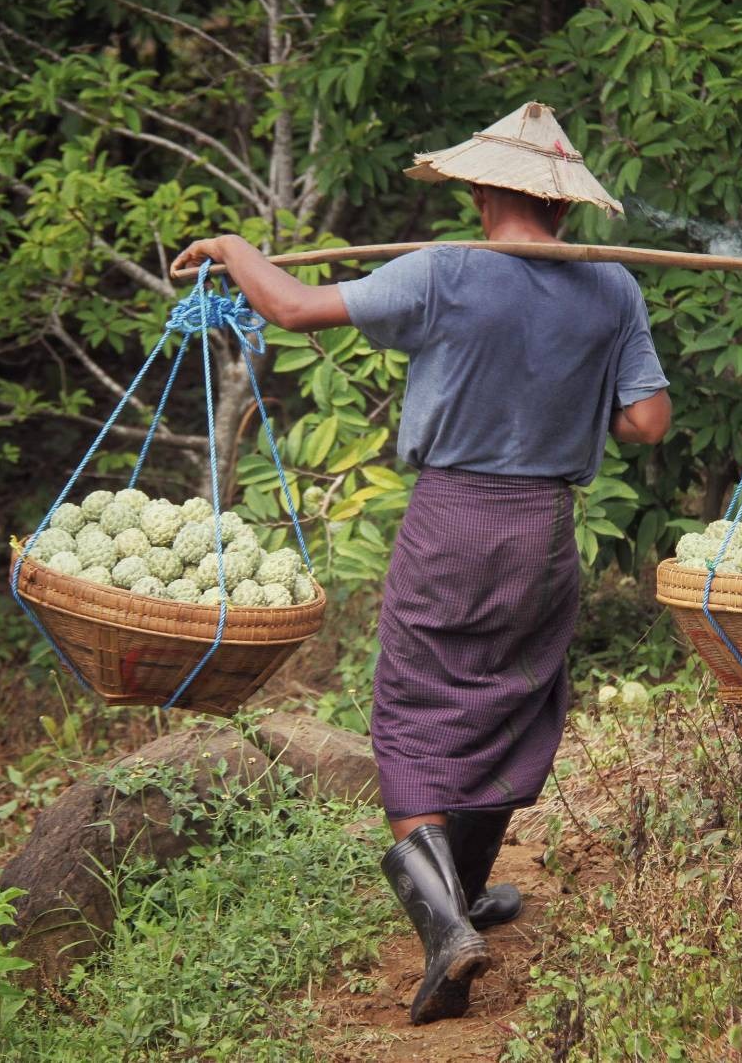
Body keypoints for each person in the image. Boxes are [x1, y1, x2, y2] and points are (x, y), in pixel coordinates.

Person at [170, 101, 670, 1026]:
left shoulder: (442, 273)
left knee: (410, 708)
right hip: (543, 528)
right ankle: (466, 895)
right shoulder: (614, 292)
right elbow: (646, 422)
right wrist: (569, 390)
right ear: (564, 206)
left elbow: (288, 307)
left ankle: (446, 927)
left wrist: (234, 244)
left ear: (481, 189)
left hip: (451, 521)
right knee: (511, 695)